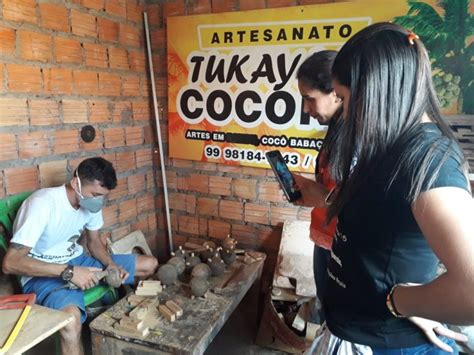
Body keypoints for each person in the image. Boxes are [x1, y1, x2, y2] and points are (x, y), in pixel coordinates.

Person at [308, 22, 473, 354]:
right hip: (352, 328)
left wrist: (403, 302)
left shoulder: (429, 161)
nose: (344, 111)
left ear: (375, 91)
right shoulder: (388, 144)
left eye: (343, 98)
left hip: (384, 343)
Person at [2, 157, 158, 355]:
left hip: (78, 261)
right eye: (95, 194)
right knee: (71, 321)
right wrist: (69, 272)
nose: (98, 201)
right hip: (43, 274)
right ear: (76, 183)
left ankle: (137, 327)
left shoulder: (91, 204)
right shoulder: (42, 204)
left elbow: (94, 242)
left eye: (103, 196)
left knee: (149, 265)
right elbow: (11, 263)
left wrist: (110, 264)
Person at [292, 50, 343, 319]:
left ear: (336, 92)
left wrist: (323, 197)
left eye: (309, 99)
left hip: (343, 249)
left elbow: (364, 207)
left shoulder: (359, 138)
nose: (305, 109)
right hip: (325, 241)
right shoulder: (336, 131)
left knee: (335, 320)